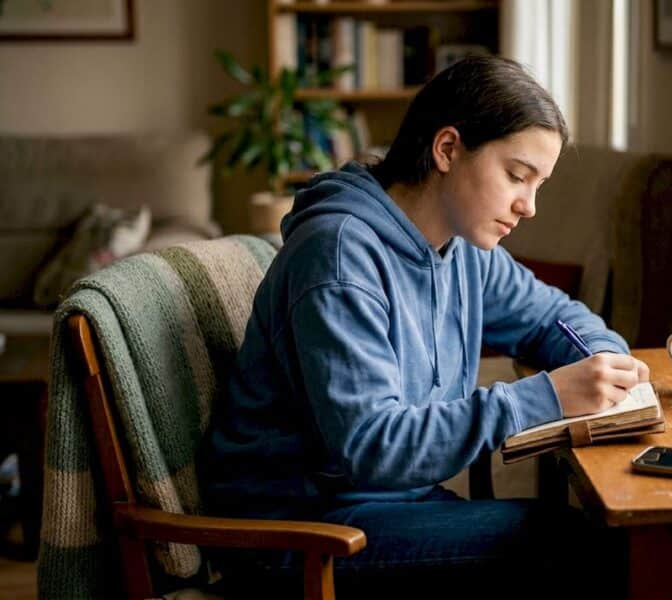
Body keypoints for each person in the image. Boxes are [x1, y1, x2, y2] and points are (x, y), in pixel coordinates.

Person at [201, 55, 649, 598]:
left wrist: (605, 360)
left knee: (585, 535)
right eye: (516, 176)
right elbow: (373, 445)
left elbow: (555, 316)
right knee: (571, 544)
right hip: (300, 528)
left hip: (390, 504)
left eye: (539, 185)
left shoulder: (462, 248)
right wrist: (545, 397)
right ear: (447, 149)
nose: (528, 206)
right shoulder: (340, 256)